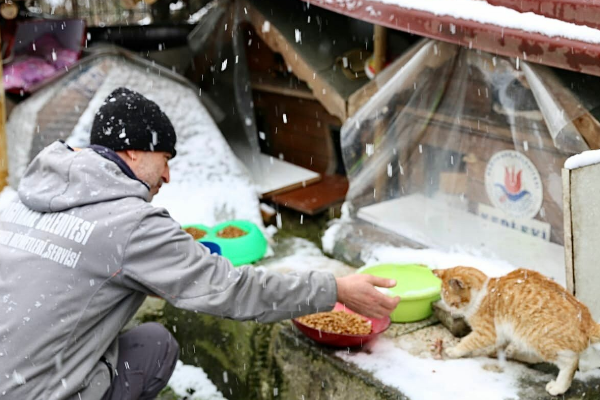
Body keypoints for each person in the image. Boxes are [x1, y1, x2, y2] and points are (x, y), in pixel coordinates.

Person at [0, 87, 400, 400]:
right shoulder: (129, 223)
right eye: (165, 158)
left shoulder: (22, 199)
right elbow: (231, 290)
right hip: (38, 393)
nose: (169, 176)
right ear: (133, 152)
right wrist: (335, 288)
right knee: (155, 347)